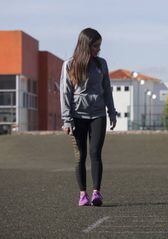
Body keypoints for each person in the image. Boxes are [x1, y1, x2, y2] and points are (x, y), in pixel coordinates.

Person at [60, 28, 117, 206]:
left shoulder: (102, 64)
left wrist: (112, 111)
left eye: (99, 46)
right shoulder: (69, 65)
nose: (98, 49)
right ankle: (83, 194)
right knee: (81, 156)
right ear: (86, 45)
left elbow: (107, 89)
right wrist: (67, 119)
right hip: (77, 116)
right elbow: (65, 93)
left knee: (95, 153)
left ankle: (96, 193)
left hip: (98, 115)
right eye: (95, 46)